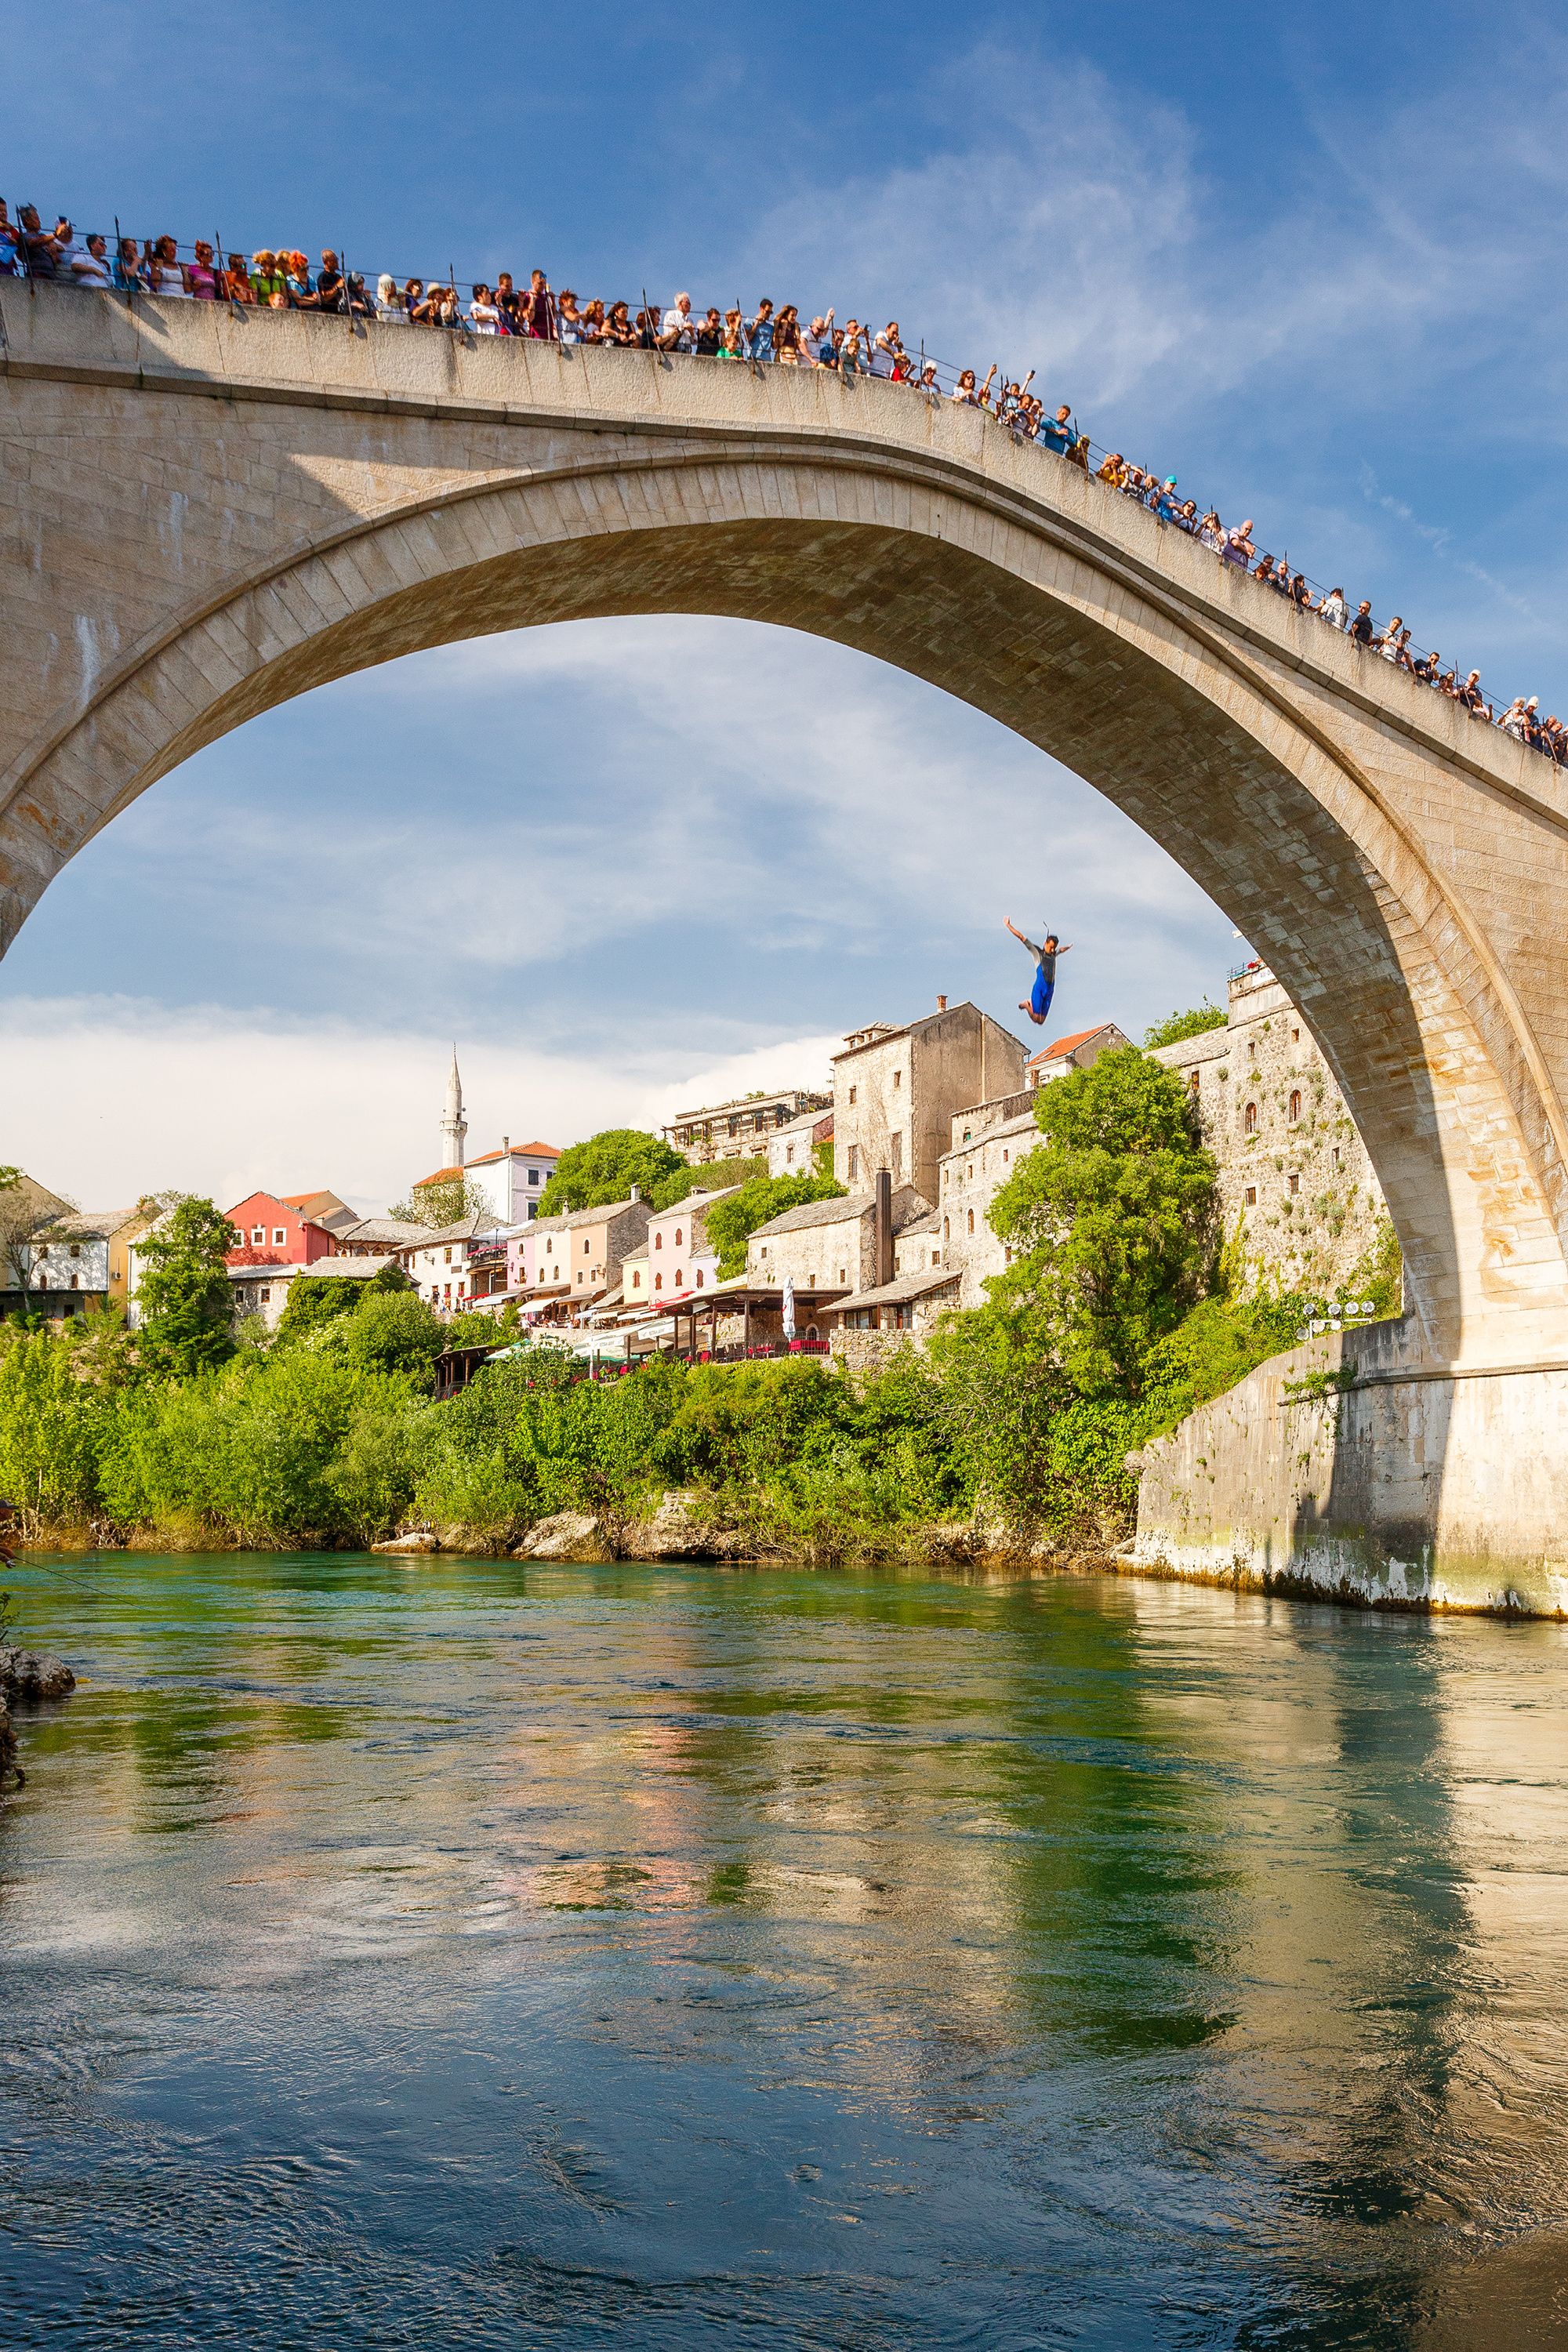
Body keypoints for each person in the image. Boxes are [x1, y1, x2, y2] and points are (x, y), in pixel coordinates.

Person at [1006, 920, 1070, 1026]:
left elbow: (1061, 950)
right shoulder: (1037, 953)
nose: (1053, 949)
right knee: (1036, 1018)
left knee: (1041, 1021)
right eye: (1051, 947)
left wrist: (1068, 947)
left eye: (1054, 947)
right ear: (1045, 943)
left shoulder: (1054, 954)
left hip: (1050, 989)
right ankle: (1027, 1005)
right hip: (1040, 987)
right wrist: (1008, 925)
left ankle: (1030, 1004)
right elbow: (1022, 937)